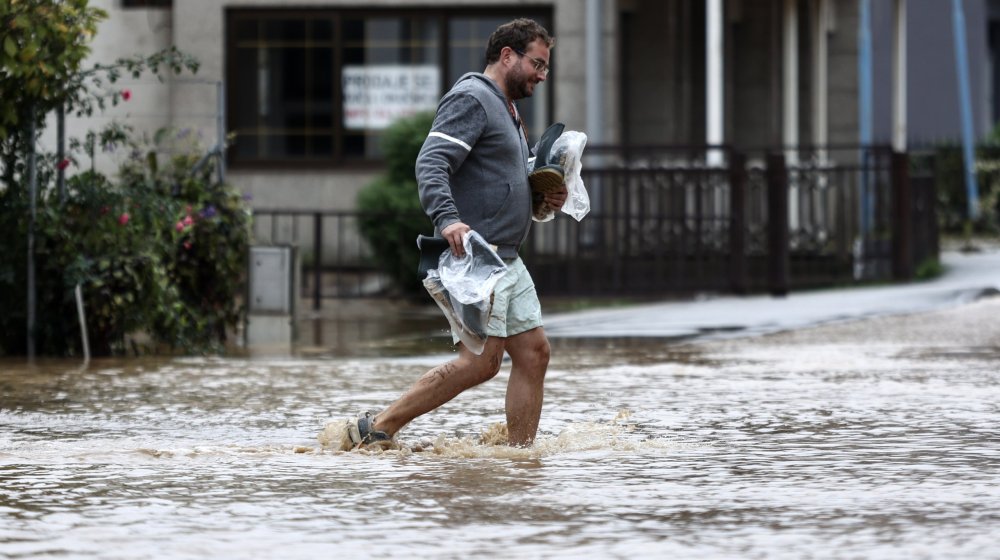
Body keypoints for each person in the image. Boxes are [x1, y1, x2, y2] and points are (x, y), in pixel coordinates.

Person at [344, 18, 567, 449]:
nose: (542, 75)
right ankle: (379, 426)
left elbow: (501, 182)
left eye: (546, 67)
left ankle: (518, 459)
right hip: (477, 258)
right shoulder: (472, 98)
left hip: (508, 259)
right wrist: (447, 219)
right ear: (507, 56)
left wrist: (541, 200)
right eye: (537, 64)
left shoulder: (507, 108)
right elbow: (431, 163)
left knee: (534, 353)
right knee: (481, 363)